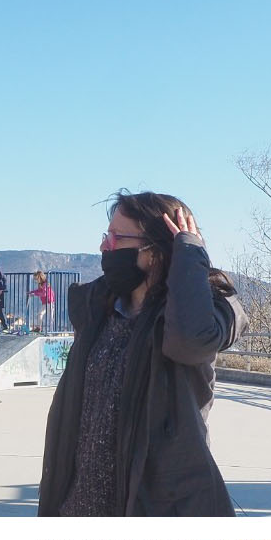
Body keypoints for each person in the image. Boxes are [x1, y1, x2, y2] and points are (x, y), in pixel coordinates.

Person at [39, 192, 246, 516]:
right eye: (106, 236)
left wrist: (189, 253)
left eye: (116, 237)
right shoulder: (100, 310)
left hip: (151, 511)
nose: (104, 247)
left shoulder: (202, 311)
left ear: (155, 251)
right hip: (76, 510)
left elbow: (190, 342)